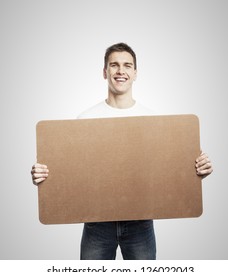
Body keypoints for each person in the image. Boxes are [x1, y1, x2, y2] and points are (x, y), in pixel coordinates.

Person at [31, 43, 213, 260]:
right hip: (96, 225)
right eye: (114, 65)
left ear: (135, 73)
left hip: (141, 224)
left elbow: (166, 170)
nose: (120, 71)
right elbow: (72, 175)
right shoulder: (84, 120)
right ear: (104, 72)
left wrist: (197, 169)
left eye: (127, 65)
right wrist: (44, 176)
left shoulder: (153, 120)